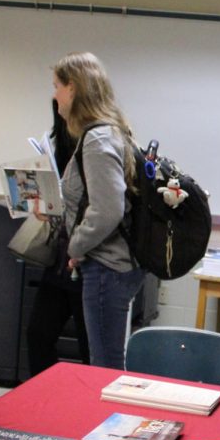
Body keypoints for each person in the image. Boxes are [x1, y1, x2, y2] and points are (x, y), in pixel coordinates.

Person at [52, 52, 142, 370]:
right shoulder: (110, 132)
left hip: (106, 269)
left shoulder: (97, 138)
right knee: (105, 362)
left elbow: (107, 209)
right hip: (112, 266)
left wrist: (75, 246)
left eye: (57, 86)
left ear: (73, 88)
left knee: (104, 368)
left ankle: (111, 421)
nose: (55, 95)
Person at [25, 100, 91, 377]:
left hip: (88, 259)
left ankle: (88, 410)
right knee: (38, 335)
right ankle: (49, 397)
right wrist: (44, 203)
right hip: (60, 258)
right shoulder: (54, 142)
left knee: (92, 349)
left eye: (59, 89)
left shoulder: (96, 143)